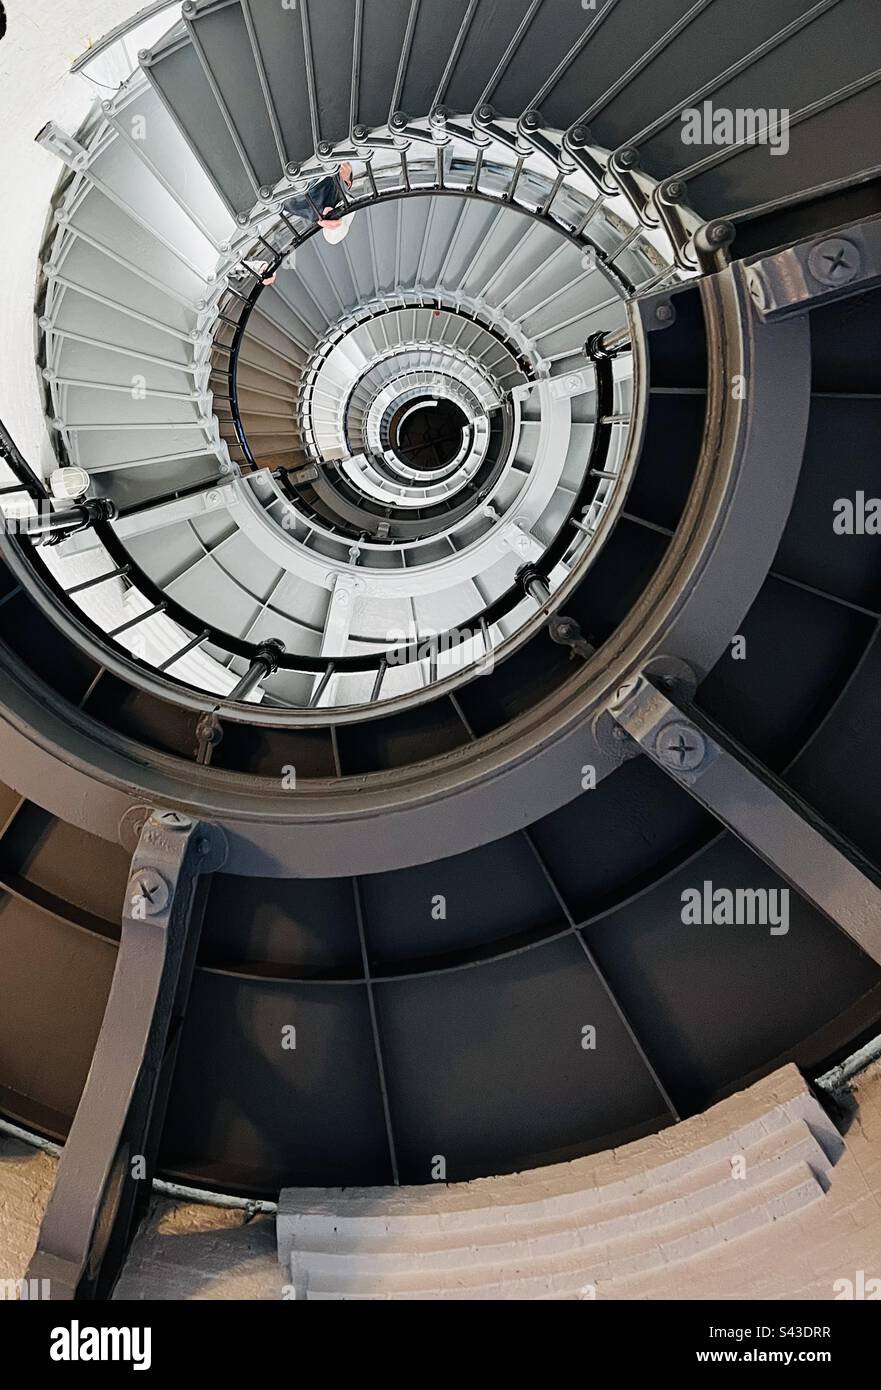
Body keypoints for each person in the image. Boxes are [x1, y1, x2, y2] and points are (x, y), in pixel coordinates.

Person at [282, 162, 355, 245]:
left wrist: (335, 225)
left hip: (295, 194)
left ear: (348, 184)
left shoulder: (346, 199)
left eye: (345, 165)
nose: (341, 163)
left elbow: (334, 237)